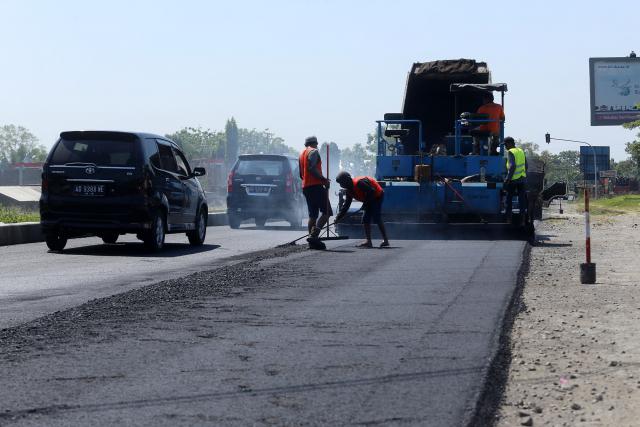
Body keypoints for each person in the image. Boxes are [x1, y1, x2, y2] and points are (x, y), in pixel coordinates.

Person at [335, 171, 390, 248]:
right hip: (369, 198)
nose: (341, 185)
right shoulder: (349, 191)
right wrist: (338, 217)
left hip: (377, 196)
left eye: (342, 183)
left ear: (347, 180)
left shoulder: (359, 183)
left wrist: (365, 204)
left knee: (376, 218)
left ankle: (385, 240)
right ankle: (369, 241)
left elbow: (371, 191)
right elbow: (346, 205)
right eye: (340, 184)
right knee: (365, 219)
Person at [299, 136, 332, 248]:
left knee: (313, 215)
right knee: (327, 212)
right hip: (316, 187)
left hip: (306, 187)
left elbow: (301, 174)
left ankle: (311, 242)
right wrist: (324, 180)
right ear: (315, 143)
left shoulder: (302, 154)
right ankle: (314, 236)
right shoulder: (314, 152)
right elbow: (312, 168)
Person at [503, 137, 528, 224]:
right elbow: (526, 165)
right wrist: (524, 175)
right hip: (522, 179)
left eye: (505, 145)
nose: (505, 147)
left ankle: (509, 219)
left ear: (510, 143)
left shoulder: (511, 152)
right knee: (522, 200)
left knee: (508, 198)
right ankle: (522, 220)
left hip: (513, 180)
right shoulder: (521, 151)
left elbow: (512, 166)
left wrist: (507, 179)